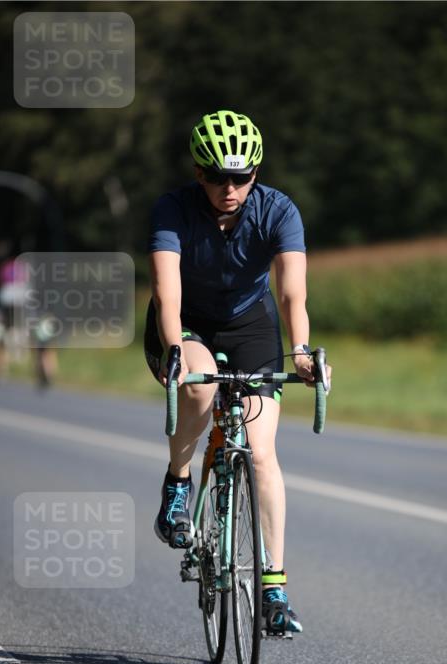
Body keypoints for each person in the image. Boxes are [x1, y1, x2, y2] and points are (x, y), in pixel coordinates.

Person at [145, 109, 319, 634]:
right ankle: (177, 482)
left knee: (262, 452)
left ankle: (274, 588)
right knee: (198, 391)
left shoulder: (278, 210)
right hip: (186, 324)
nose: (230, 187)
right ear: (199, 173)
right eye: (218, 176)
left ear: (255, 174)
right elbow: (166, 289)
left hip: (250, 326)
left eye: (242, 177)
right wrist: (175, 347)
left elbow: (292, 292)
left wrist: (304, 349)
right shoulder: (172, 210)